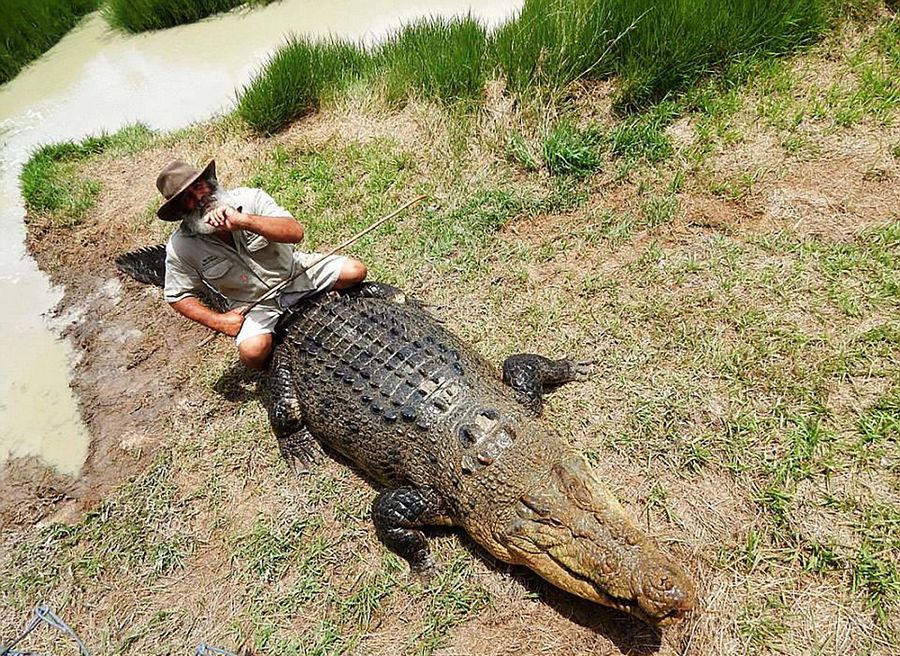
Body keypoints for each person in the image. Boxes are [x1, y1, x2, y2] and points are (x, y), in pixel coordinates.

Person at [155, 159, 367, 370]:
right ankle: (280, 362)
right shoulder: (181, 246)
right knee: (253, 353)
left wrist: (244, 221)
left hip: (295, 272)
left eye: (198, 186)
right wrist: (219, 321)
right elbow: (177, 295)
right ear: (180, 209)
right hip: (253, 304)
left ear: (210, 183)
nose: (199, 197)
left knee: (355, 271)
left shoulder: (250, 198)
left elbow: (295, 232)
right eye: (187, 198)